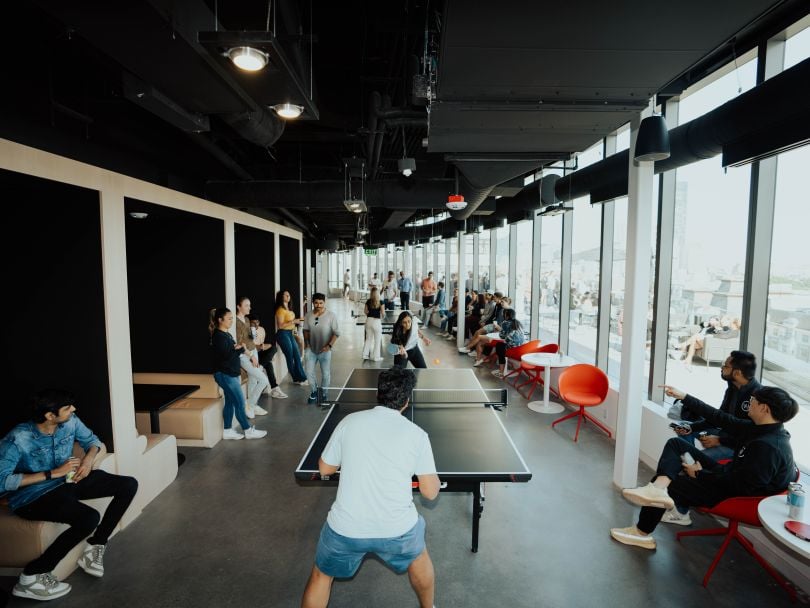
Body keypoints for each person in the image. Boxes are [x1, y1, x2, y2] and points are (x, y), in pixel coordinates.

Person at [300, 366, 439, 608]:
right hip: (397, 529)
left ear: (378, 393)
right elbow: (429, 492)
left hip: (346, 529)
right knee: (419, 557)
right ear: (407, 400)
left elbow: (325, 469)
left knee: (321, 575)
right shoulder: (417, 435)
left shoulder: (349, 422)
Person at [610, 385, 797, 551]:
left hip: (737, 496)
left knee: (673, 485)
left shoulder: (768, 446)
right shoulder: (761, 428)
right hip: (730, 475)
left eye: (753, 401)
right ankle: (657, 488)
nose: (750, 403)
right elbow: (719, 417)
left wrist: (700, 474)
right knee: (677, 444)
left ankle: (642, 533)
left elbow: (742, 486)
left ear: (764, 408)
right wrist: (684, 397)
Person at [0, 389, 138, 601]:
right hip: (31, 497)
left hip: (69, 480)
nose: (73, 409)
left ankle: (96, 546)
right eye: (67, 407)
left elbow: (93, 442)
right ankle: (30, 577)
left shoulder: (70, 421)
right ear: (49, 415)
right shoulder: (18, 438)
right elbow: (2, 481)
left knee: (128, 485)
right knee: (89, 518)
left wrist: (88, 461)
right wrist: (52, 473)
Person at [662, 350, 761, 524]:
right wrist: (691, 427)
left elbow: (748, 436)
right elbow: (719, 418)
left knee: (691, 464)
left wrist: (719, 440)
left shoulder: (756, 399)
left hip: (736, 446)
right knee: (683, 431)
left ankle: (681, 509)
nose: (722, 368)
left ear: (737, 372)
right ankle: (685, 465)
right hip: (725, 435)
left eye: (726, 365)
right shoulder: (732, 388)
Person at [209, 307, 268, 440]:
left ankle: (228, 430)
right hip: (225, 375)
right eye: (229, 319)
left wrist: (240, 348)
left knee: (230, 402)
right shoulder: (218, 336)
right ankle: (247, 430)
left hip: (231, 373)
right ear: (220, 320)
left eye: (232, 318)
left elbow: (232, 350)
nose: (231, 321)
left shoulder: (226, 335)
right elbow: (228, 355)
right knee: (240, 403)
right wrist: (239, 349)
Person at [235, 297, 269, 419]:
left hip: (253, 350)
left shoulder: (247, 320)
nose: (249, 308)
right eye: (246, 305)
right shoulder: (236, 322)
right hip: (245, 354)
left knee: (253, 379)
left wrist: (253, 333)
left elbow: (249, 338)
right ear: (239, 306)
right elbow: (239, 343)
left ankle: (253, 406)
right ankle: (249, 405)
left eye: (249, 305)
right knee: (263, 380)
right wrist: (251, 356)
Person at [303, 293, 340, 404]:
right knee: (309, 372)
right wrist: (307, 344)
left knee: (326, 374)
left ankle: (323, 394)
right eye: (316, 303)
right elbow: (305, 330)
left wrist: (329, 346)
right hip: (311, 349)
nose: (318, 305)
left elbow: (336, 333)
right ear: (313, 303)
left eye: (321, 303)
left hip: (325, 350)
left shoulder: (331, 316)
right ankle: (315, 391)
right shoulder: (308, 315)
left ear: (324, 302)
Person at [474, 308, 526, 379]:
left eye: (504, 314)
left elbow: (502, 336)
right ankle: (502, 369)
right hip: (521, 348)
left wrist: (500, 329)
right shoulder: (518, 323)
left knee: (499, 346)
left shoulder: (505, 322)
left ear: (506, 315)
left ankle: (501, 372)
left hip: (512, 349)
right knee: (501, 345)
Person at [249, 317, 288, 399]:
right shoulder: (249, 330)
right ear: (249, 323)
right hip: (252, 354)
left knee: (274, 348)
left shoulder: (261, 329)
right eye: (253, 322)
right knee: (269, 363)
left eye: (257, 322)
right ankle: (274, 388)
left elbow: (263, 345)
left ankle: (260, 367)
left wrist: (264, 346)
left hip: (260, 352)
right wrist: (260, 347)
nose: (256, 324)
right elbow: (252, 347)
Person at [275, 291, 309, 385]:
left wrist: (304, 319)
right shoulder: (280, 310)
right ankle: (298, 378)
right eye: (286, 295)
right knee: (290, 357)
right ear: (281, 297)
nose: (288, 296)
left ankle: (301, 378)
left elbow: (295, 322)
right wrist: (294, 321)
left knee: (297, 356)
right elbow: (280, 326)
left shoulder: (288, 309)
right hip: (282, 334)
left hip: (290, 333)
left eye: (289, 295)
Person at [362, 287, 384, 361]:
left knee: (368, 339)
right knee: (377, 340)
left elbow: (365, 311)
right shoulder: (381, 301)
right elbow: (383, 313)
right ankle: (376, 357)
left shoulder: (368, 301)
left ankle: (365, 355)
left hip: (369, 321)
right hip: (377, 322)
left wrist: (370, 314)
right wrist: (382, 316)